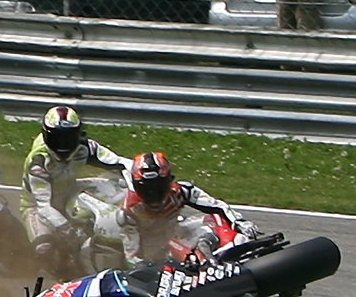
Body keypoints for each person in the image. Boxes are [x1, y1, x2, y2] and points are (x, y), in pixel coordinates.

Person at [92, 151, 260, 267]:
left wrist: (240, 222)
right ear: (136, 186)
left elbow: (217, 206)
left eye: (158, 186)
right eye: (147, 188)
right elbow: (132, 256)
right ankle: (204, 263)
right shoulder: (129, 212)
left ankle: (237, 253)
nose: (153, 193)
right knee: (174, 247)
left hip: (177, 233)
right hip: (157, 256)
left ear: (169, 181)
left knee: (215, 221)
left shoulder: (182, 191)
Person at [19, 105, 129, 268]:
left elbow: (119, 162)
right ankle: (64, 280)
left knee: (117, 188)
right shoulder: (38, 163)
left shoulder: (85, 147)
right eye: (58, 138)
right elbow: (44, 206)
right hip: (38, 207)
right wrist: (67, 229)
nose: (63, 144)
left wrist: (145, 172)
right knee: (44, 248)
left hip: (71, 192)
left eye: (68, 137)